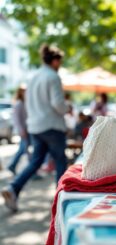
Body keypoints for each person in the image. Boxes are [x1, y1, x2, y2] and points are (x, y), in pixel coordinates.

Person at [1, 44, 69, 212]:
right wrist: (68, 107)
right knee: (61, 161)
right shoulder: (53, 76)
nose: (59, 65)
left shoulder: (33, 77)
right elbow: (58, 104)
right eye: (59, 62)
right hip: (52, 125)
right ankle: (61, 200)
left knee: (35, 162)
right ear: (54, 61)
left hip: (35, 127)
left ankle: (14, 187)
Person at [7, 87, 30, 175]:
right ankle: (30, 171)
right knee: (25, 150)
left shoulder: (24, 103)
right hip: (23, 131)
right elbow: (16, 120)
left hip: (27, 130)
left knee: (23, 149)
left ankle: (12, 165)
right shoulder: (19, 104)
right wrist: (21, 130)